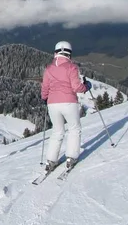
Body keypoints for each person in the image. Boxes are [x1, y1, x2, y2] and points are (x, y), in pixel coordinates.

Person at [41, 40, 92, 172]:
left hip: (52, 104)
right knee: (74, 129)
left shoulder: (48, 68)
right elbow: (76, 87)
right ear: (69, 54)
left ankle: (51, 160)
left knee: (57, 131)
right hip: (69, 102)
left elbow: (45, 87)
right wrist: (86, 86)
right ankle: (71, 157)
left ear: (55, 53)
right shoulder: (71, 67)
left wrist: (44, 98)